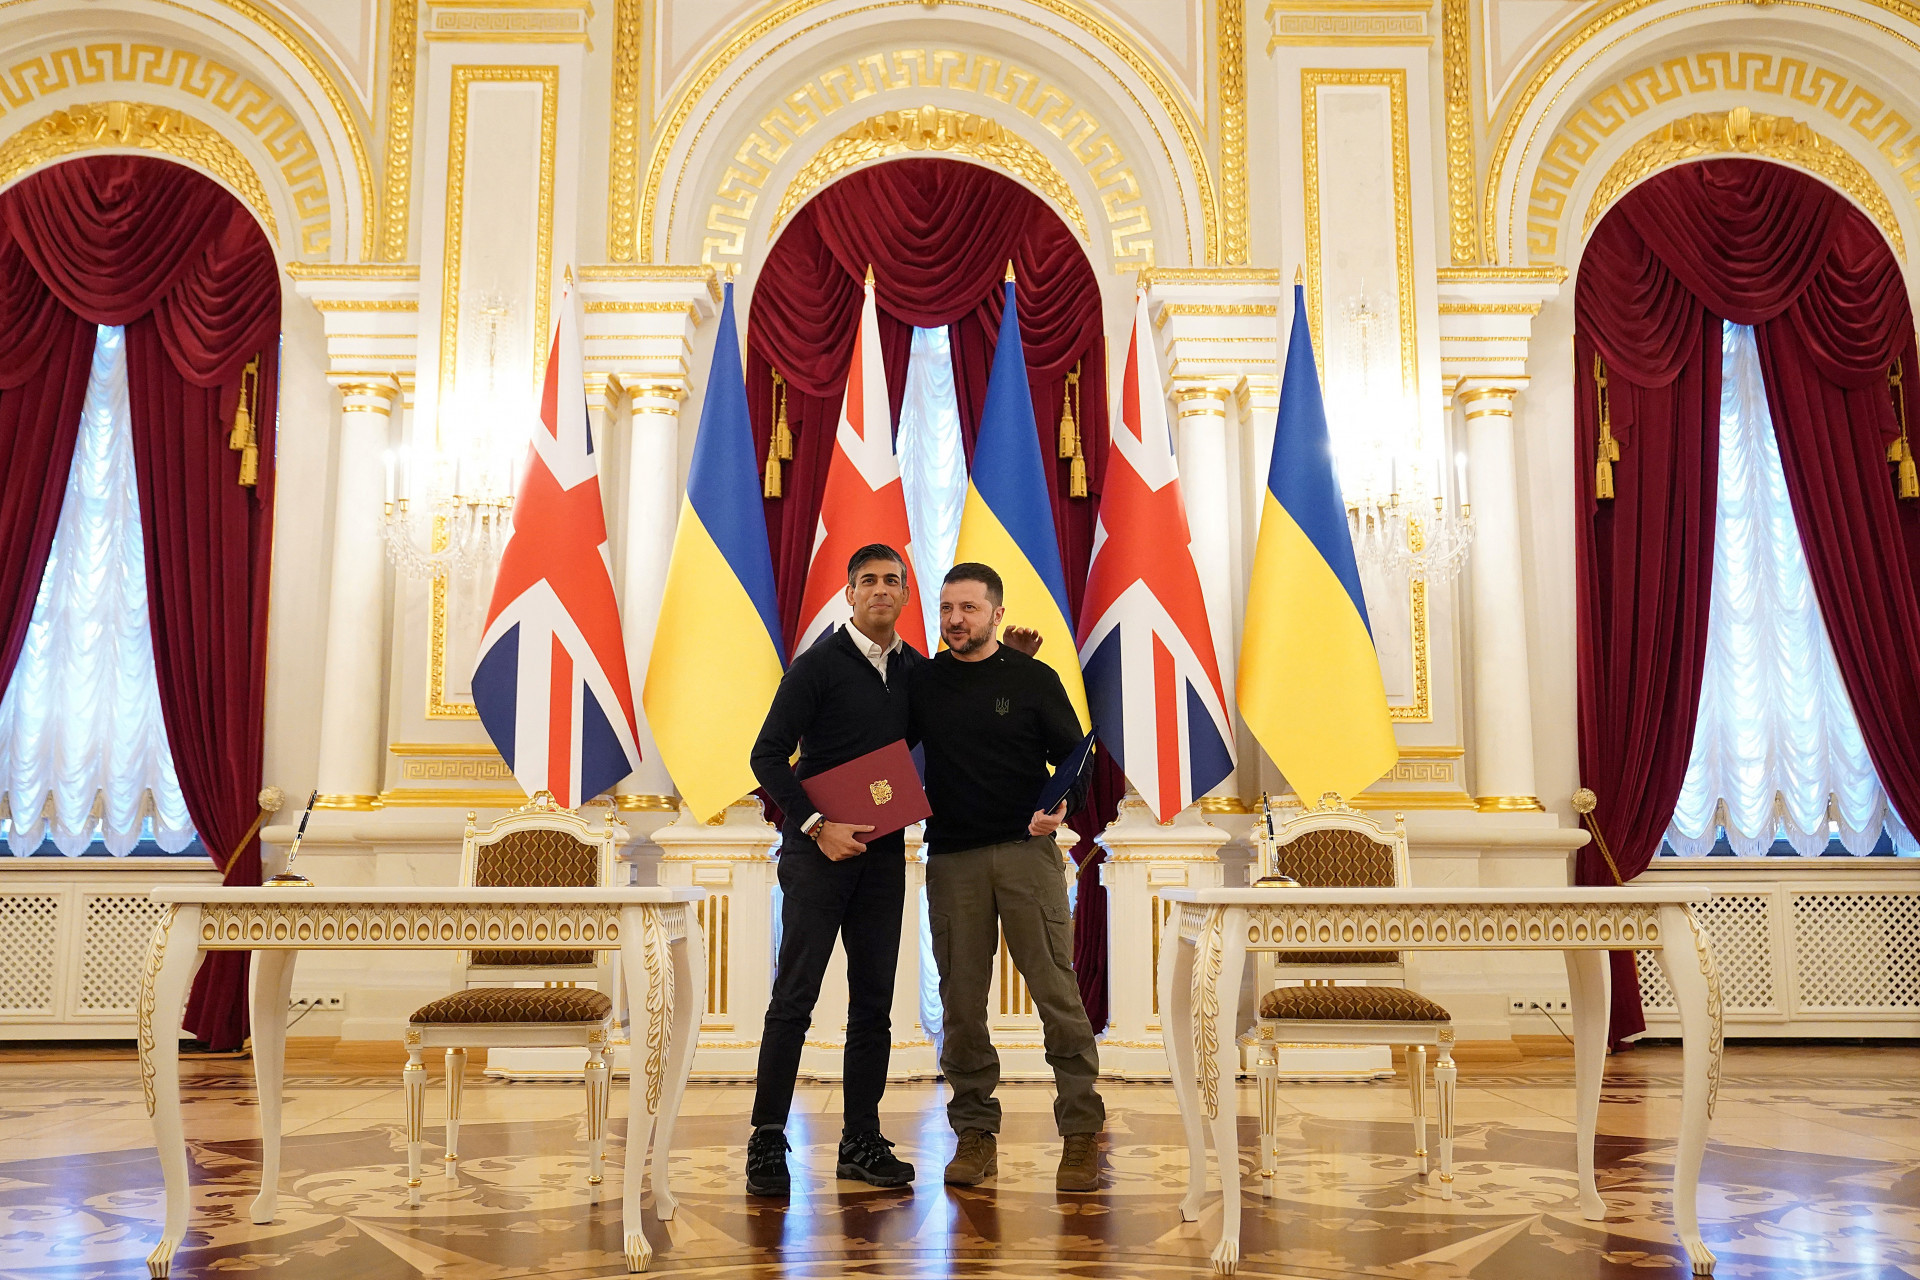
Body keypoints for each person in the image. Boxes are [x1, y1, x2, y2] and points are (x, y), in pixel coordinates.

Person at [908, 561, 1105, 1193]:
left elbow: (1077, 758)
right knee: (962, 1006)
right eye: (947, 608)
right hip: (952, 862)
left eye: (969, 608)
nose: (955, 619)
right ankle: (974, 1134)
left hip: (1027, 856)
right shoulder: (922, 683)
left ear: (996, 613)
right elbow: (887, 754)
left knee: (1058, 996)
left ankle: (1080, 1134)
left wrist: (1063, 804)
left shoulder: (1032, 678)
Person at [743, 543, 921, 1196]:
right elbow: (766, 756)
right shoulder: (816, 665)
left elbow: (957, 721)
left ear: (905, 595)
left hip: (883, 858)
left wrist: (1011, 662)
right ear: (850, 593)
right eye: (868, 580)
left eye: (892, 580)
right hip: (816, 855)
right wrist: (817, 826)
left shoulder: (915, 671)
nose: (881, 589)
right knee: (795, 999)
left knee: (874, 1005)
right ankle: (767, 1140)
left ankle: (860, 1141)